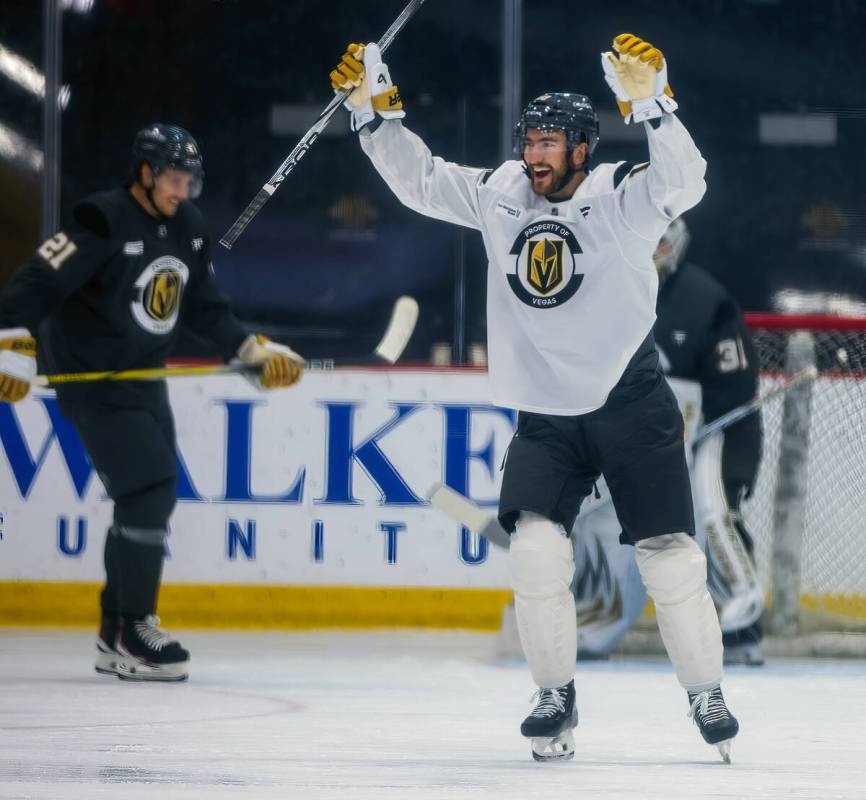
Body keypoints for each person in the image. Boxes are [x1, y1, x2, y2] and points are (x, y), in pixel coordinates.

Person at [330, 34, 738, 762]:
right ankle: (555, 694)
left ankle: (705, 690)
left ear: (583, 148)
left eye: (550, 142)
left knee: (669, 555)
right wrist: (373, 116)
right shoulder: (501, 195)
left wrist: (655, 105)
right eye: (530, 140)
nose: (535, 154)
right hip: (548, 415)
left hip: (630, 401)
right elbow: (421, 182)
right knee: (535, 551)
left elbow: (689, 183)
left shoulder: (622, 197)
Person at [0, 123, 304, 682]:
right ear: (144, 173)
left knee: (146, 497)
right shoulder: (101, 217)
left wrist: (250, 347)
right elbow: (38, 279)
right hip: (92, 380)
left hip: (144, 379)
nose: (181, 191)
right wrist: (12, 338)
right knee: (150, 488)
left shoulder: (188, 226)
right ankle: (134, 628)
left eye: (189, 180)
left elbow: (206, 307)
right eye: (172, 178)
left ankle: (116, 632)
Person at [569, 219, 765, 665]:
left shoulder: (707, 301)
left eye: (659, 239)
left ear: (677, 243)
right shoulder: (609, 295)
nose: (651, 249)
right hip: (636, 433)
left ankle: (737, 627)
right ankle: (593, 620)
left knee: (710, 511)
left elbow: (734, 391)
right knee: (599, 520)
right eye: (644, 237)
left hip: (717, 432)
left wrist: (685, 434)